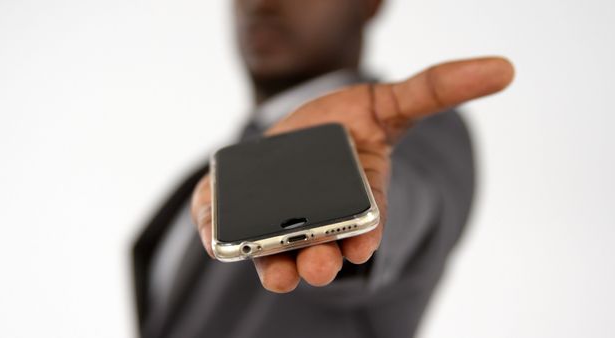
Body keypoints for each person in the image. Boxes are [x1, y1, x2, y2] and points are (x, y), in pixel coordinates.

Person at [132, 0, 514, 337]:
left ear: (371, 3)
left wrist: (346, 200)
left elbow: (412, 212)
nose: (261, 3)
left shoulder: (417, 132)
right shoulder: (221, 172)